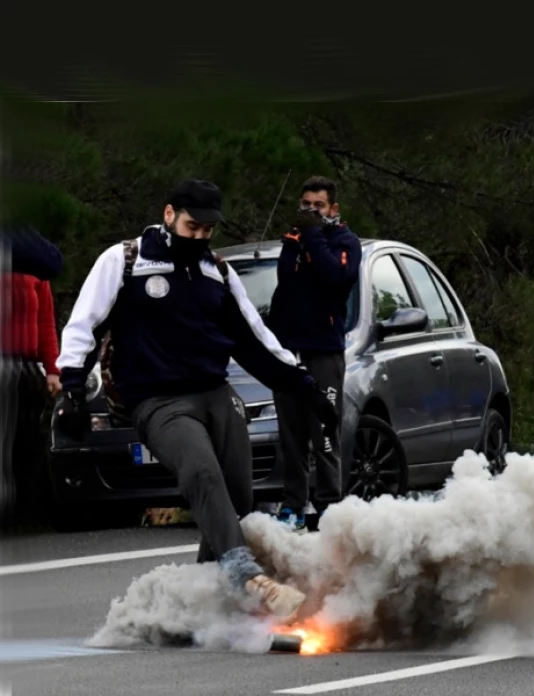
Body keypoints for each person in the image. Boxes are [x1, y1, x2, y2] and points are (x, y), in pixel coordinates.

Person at [54, 180, 337, 620]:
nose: (200, 237)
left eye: (208, 230)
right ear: (169, 215)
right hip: (159, 402)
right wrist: (72, 386)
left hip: (216, 394)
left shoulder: (217, 273)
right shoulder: (125, 260)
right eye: (193, 227)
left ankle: (200, 605)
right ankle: (247, 576)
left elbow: (256, 341)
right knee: (201, 471)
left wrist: (307, 388)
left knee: (238, 495)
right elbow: (83, 325)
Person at [268, 176, 361, 532]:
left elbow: (336, 276)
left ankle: (328, 506)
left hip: (324, 351)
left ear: (333, 209)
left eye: (318, 206)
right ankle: (293, 503)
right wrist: (299, 241)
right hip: (290, 351)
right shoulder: (295, 241)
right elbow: (286, 281)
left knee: (324, 430)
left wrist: (313, 236)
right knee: (290, 433)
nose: (310, 212)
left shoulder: (345, 242)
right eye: (305, 205)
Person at [0, 225, 64, 523]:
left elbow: (45, 321)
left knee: (27, 440)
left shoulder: (33, 262)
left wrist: (53, 369)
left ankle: (26, 511)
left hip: (25, 365)